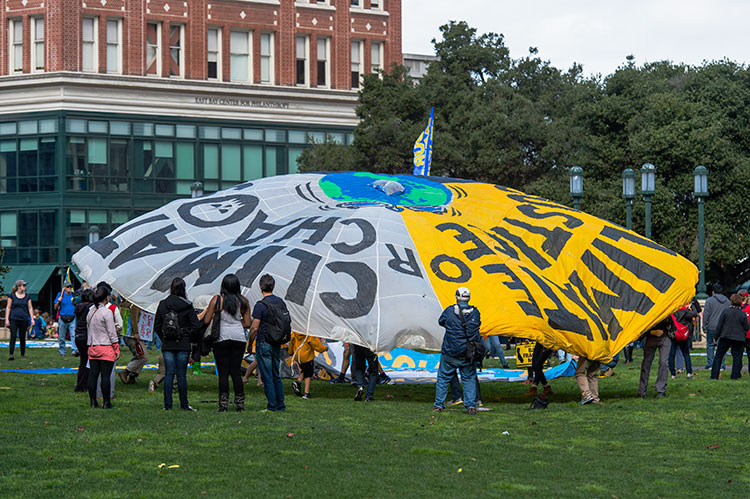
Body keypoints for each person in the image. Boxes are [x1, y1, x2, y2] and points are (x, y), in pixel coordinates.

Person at [202, 274, 251, 412]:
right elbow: (248, 323)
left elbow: (206, 320)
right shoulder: (243, 301)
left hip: (221, 338)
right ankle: (240, 403)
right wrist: (237, 324)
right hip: (239, 338)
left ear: (223, 286)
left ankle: (223, 405)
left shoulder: (217, 300)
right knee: (235, 372)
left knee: (223, 373)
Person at [153, 277, 202, 411]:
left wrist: (164, 337)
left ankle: (167, 405)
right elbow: (196, 326)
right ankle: (184, 404)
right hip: (183, 343)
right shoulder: (187, 305)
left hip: (168, 343)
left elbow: (157, 325)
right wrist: (188, 337)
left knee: (169, 373)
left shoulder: (163, 304)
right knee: (181, 375)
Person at [434, 287, 481, 415]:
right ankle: (471, 405)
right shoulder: (475, 312)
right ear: (469, 298)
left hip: (450, 350)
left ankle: (439, 405)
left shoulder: (449, 311)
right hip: (468, 352)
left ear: (456, 297)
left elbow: (441, 321)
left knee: (443, 378)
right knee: (469, 379)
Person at [247, 274, 287, 412]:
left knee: (267, 376)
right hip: (276, 341)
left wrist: (250, 343)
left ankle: (272, 405)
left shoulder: (260, 305)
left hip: (264, 341)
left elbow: (254, 328)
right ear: (273, 286)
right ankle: (280, 404)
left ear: (260, 286)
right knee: (276, 374)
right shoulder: (280, 302)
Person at [86, 286, 120, 409]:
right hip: (106, 347)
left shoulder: (90, 311)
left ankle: (93, 402)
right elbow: (111, 332)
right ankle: (106, 403)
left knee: (93, 375)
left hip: (92, 346)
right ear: (107, 298)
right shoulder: (107, 312)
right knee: (106, 376)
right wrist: (116, 346)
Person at [710, 293, 749, 380]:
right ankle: (735, 376)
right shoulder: (742, 314)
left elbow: (720, 326)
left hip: (726, 336)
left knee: (719, 356)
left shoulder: (726, 312)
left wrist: (716, 337)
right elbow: (746, 326)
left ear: (731, 301)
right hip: (738, 337)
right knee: (737, 357)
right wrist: (742, 334)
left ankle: (714, 375)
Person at [638, 316, 673, 398]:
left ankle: (660, 390)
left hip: (665, 336)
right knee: (646, 363)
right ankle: (642, 392)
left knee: (663, 363)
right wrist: (651, 332)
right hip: (651, 337)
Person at [288, 332, 328, 399]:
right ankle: (306, 393)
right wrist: (324, 348)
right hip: (306, 356)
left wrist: (290, 352)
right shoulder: (309, 334)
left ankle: (298, 382)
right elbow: (316, 345)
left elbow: (291, 343)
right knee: (308, 374)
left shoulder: (294, 333)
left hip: (298, 356)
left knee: (304, 369)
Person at [4, 280, 34, 360]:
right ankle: (11, 354)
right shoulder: (12, 296)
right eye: (23, 285)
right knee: (13, 336)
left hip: (24, 319)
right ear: (19, 287)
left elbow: (30, 308)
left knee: (22, 337)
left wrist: (32, 319)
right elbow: (8, 308)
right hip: (13, 318)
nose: (25, 287)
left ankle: (22, 354)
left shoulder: (27, 296)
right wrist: (7, 319)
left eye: (25, 285)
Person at [703, 283, 730, 370]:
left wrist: (704, 326)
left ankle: (710, 364)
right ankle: (721, 365)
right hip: (723, 327)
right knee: (721, 347)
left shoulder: (709, 301)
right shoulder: (727, 301)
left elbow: (706, 314)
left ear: (713, 292)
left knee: (710, 346)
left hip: (712, 326)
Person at [118, 308, 149, 386]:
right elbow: (133, 318)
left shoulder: (127, 304)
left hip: (130, 334)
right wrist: (136, 332)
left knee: (138, 355)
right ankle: (126, 372)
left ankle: (132, 377)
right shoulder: (134, 304)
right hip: (132, 335)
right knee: (142, 356)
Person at [669, 303, 699, 379]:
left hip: (674, 333)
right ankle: (689, 372)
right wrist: (691, 306)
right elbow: (695, 313)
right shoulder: (685, 312)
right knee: (686, 354)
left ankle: (672, 373)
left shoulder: (672, 310)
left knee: (672, 354)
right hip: (683, 334)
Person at [73, 289, 95, 392]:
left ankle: (80, 384)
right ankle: (84, 385)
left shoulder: (78, 307)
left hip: (78, 335)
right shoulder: (90, 307)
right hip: (86, 335)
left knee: (83, 361)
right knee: (88, 362)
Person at [55, 281, 78, 357]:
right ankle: (62, 351)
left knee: (73, 335)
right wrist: (58, 301)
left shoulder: (74, 295)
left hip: (72, 317)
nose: (69, 288)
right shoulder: (60, 294)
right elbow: (55, 307)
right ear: (64, 288)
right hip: (62, 318)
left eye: (70, 287)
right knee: (61, 337)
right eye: (68, 287)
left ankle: (74, 351)